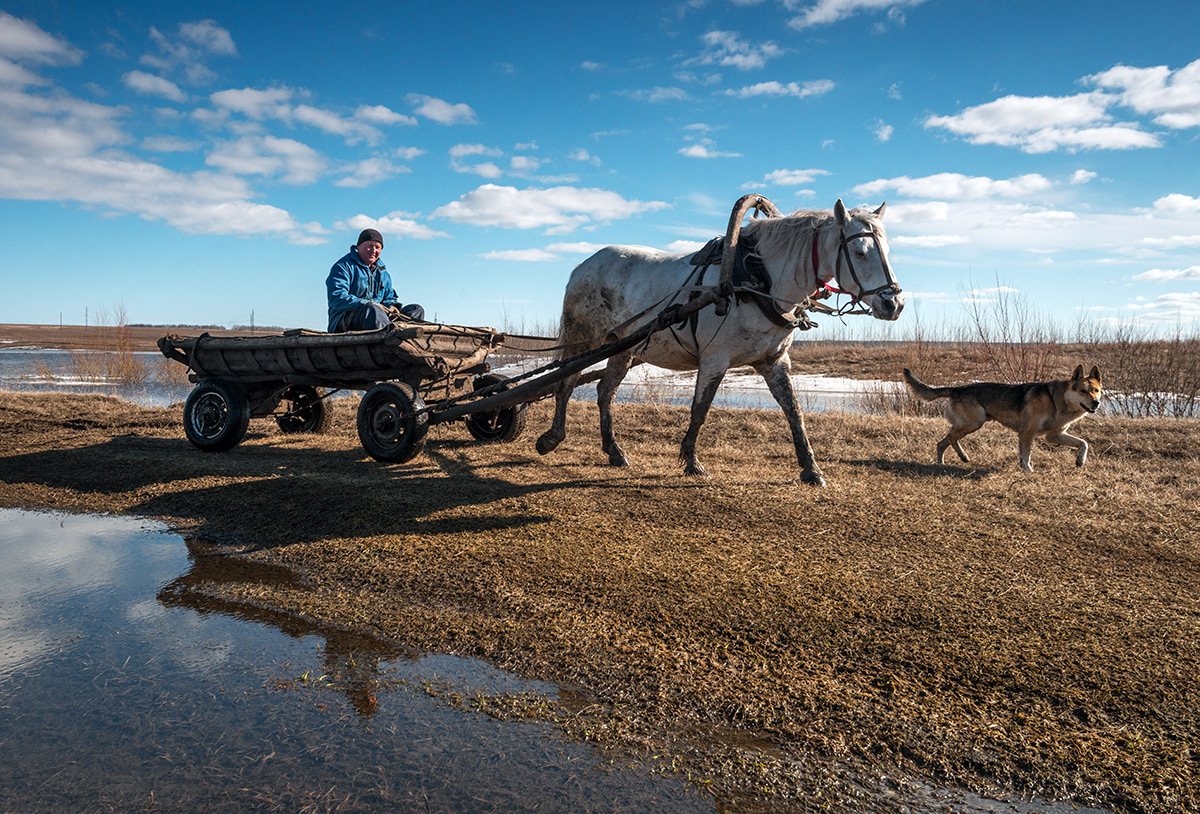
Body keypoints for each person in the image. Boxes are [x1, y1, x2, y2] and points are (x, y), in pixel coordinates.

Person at [326, 228, 425, 332]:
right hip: (345, 321)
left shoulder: (382, 272)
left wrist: (392, 307)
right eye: (369, 246)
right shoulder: (343, 267)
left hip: (378, 317)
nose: (373, 251)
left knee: (416, 309)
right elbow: (336, 297)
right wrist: (367, 304)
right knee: (371, 309)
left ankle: (402, 335)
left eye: (377, 247)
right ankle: (388, 336)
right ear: (358, 246)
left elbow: (389, 297)